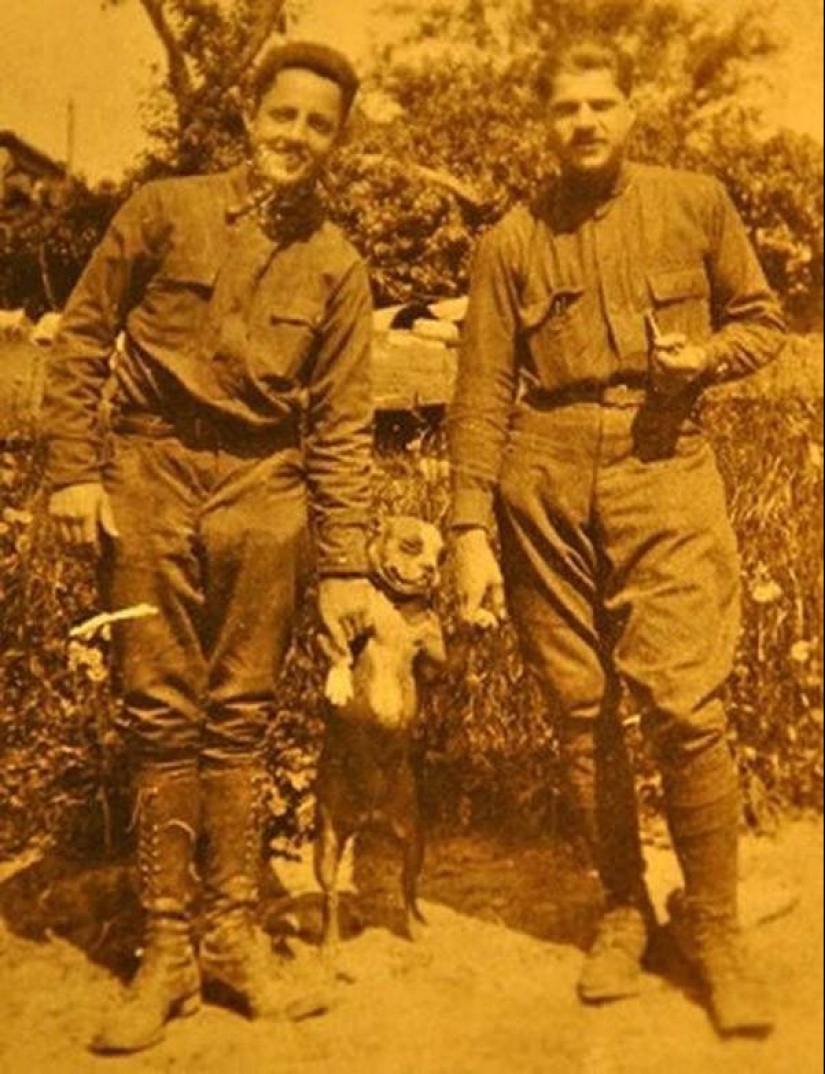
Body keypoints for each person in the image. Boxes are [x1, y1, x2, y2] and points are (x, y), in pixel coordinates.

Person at [43, 42, 374, 1054]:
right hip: (149, 476)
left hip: (265, 494)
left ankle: (230, 938)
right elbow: (83, 335)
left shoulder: (339, 265)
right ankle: (165, 948)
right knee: (158, 712)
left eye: (319, 127)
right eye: (285, 117)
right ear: (250, 114)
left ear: (336, 142)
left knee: (239, 713)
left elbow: (344, 425)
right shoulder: (162, 209)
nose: (298, 139)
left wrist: (349, 562)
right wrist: (71, 470)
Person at [450, 41, 786, 1037]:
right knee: (577, 705)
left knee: (686, 700)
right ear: (543, 124)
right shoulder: (509, 240)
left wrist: (709, 357)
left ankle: (714, 924)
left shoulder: (696, 201)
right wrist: (469, 527)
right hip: (543, 474)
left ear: (632, 111)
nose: (585, 122)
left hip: (664, 457)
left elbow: (762, 321)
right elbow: (478, 395)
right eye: (566, 109)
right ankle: (620, 905)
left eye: (602, 104)